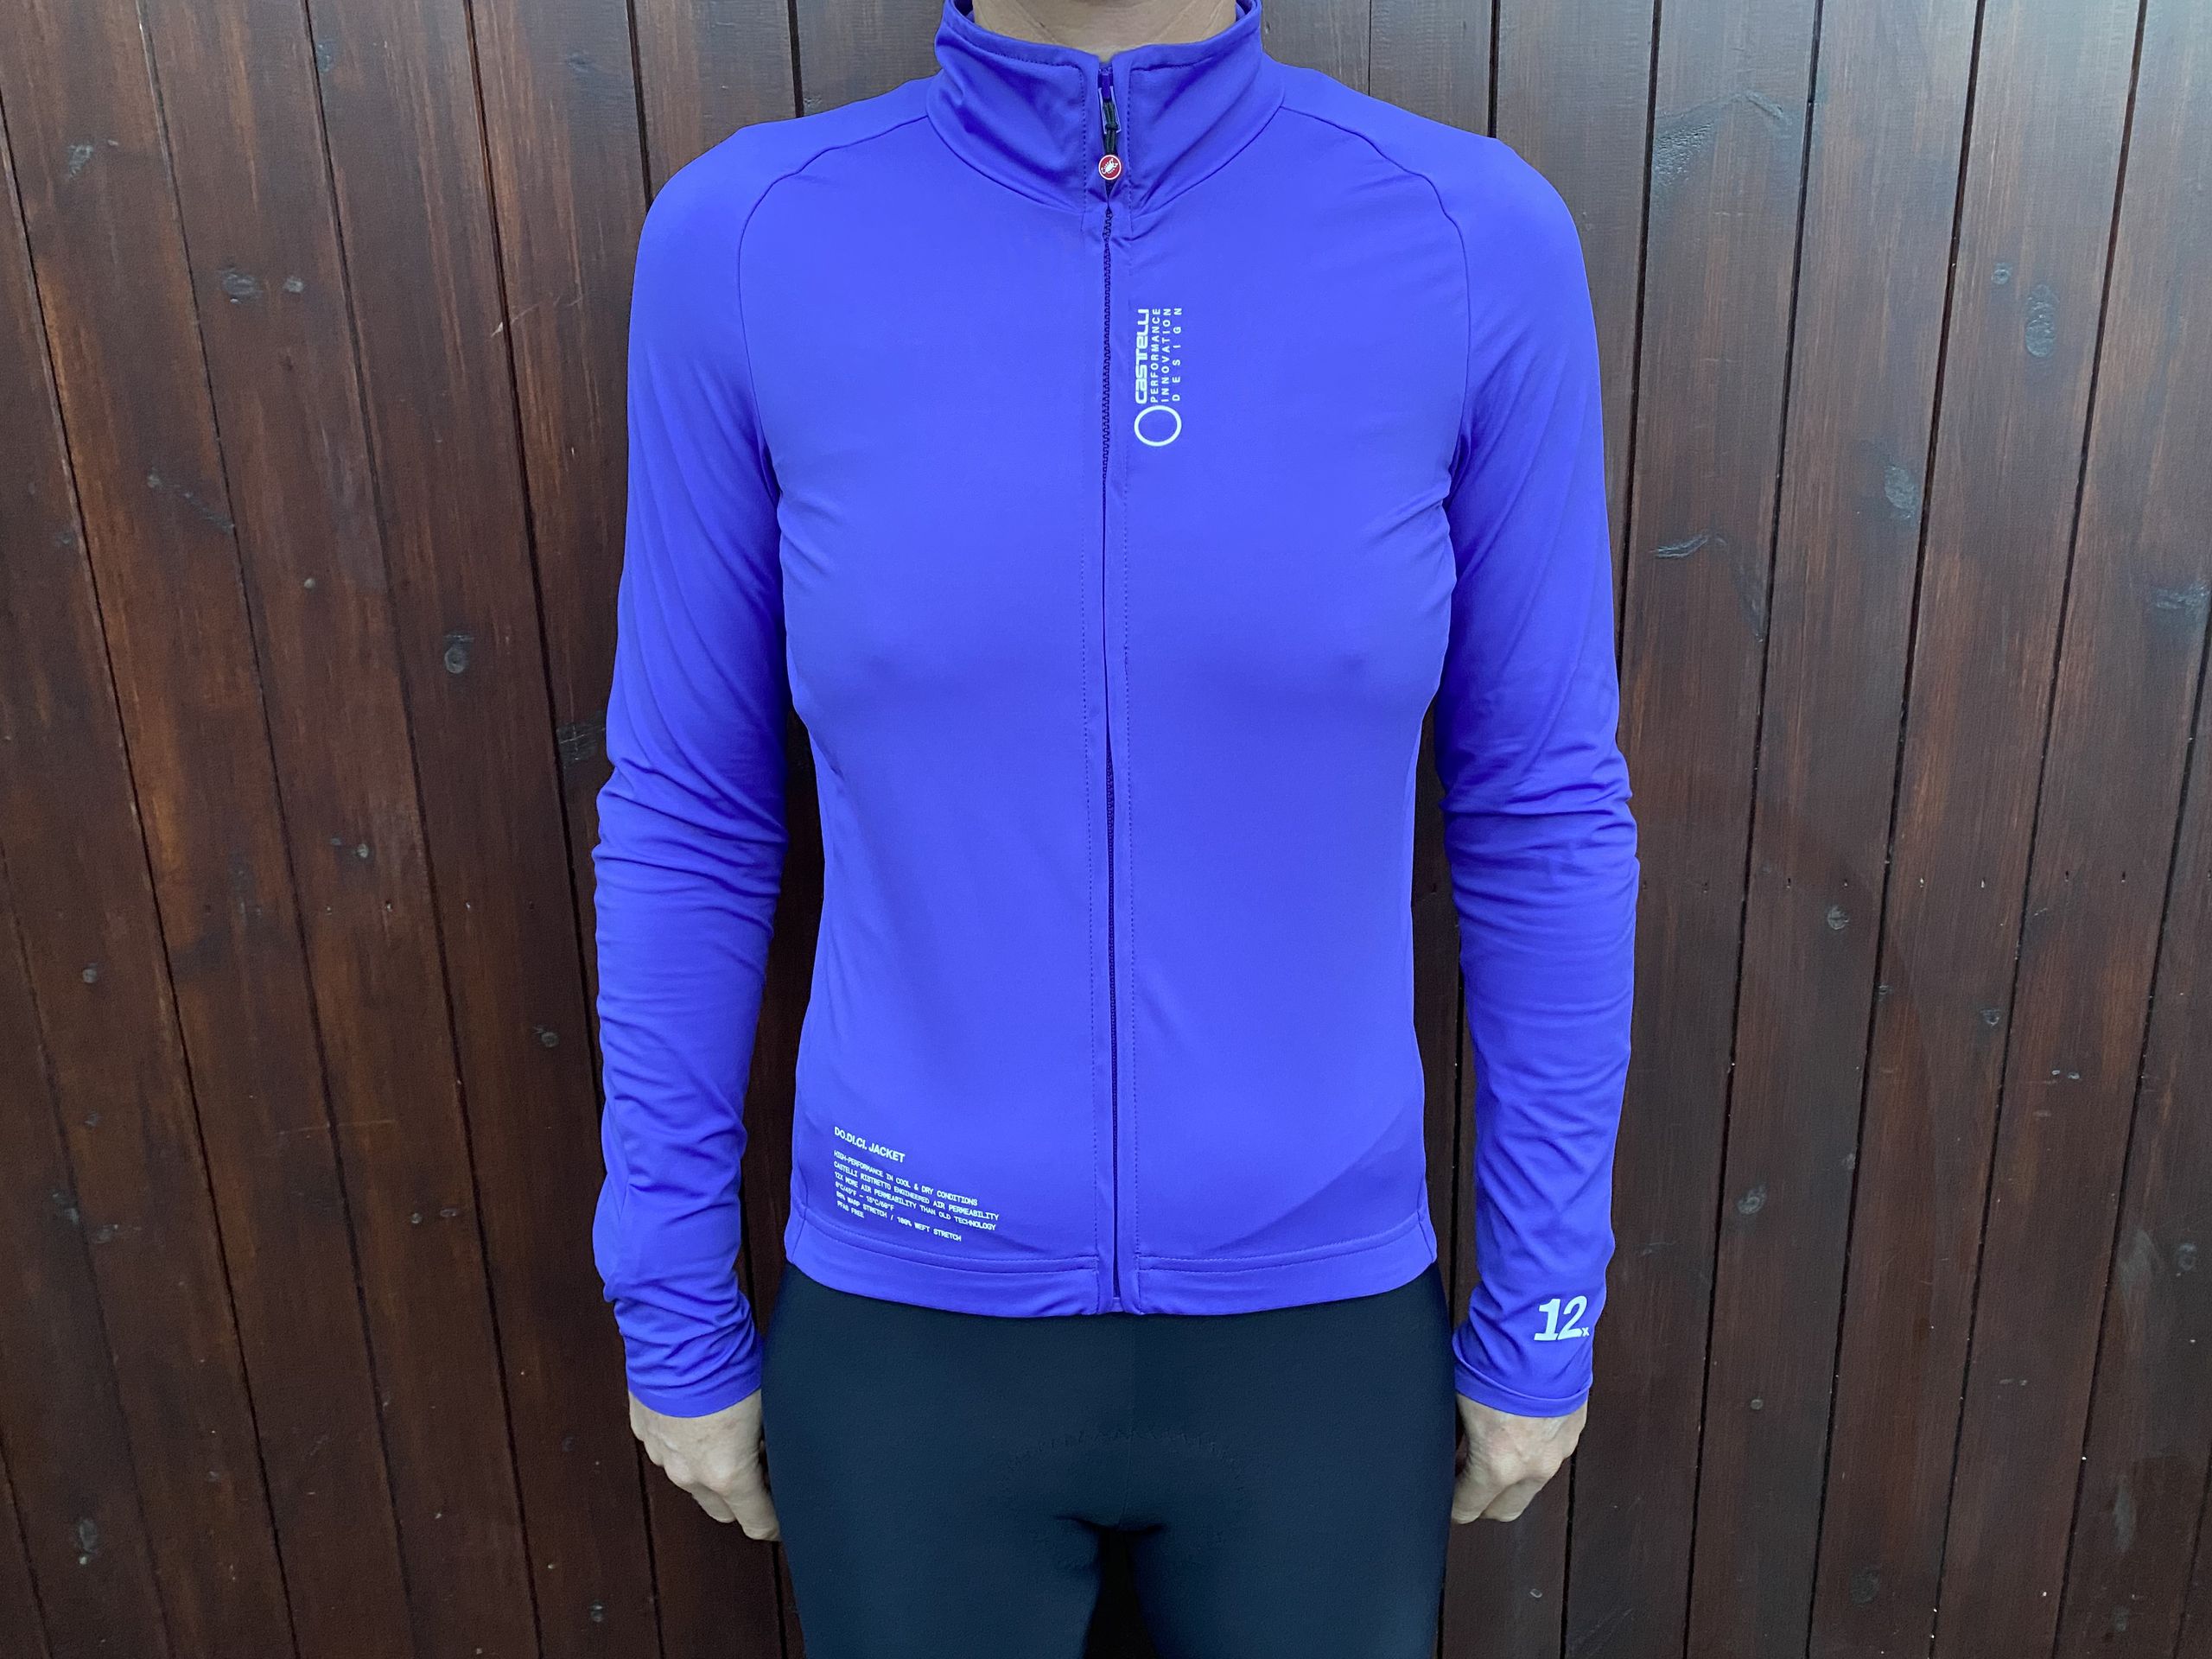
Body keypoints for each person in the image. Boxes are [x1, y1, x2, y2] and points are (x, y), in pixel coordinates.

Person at [588, 0, 1639, 1649]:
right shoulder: (750, 240)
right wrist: (669, 1297)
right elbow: (691, 811)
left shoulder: (1467, 238)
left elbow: (1544, 811)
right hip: (908, 1333)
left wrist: (1546, 1302)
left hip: (1320, 1339)